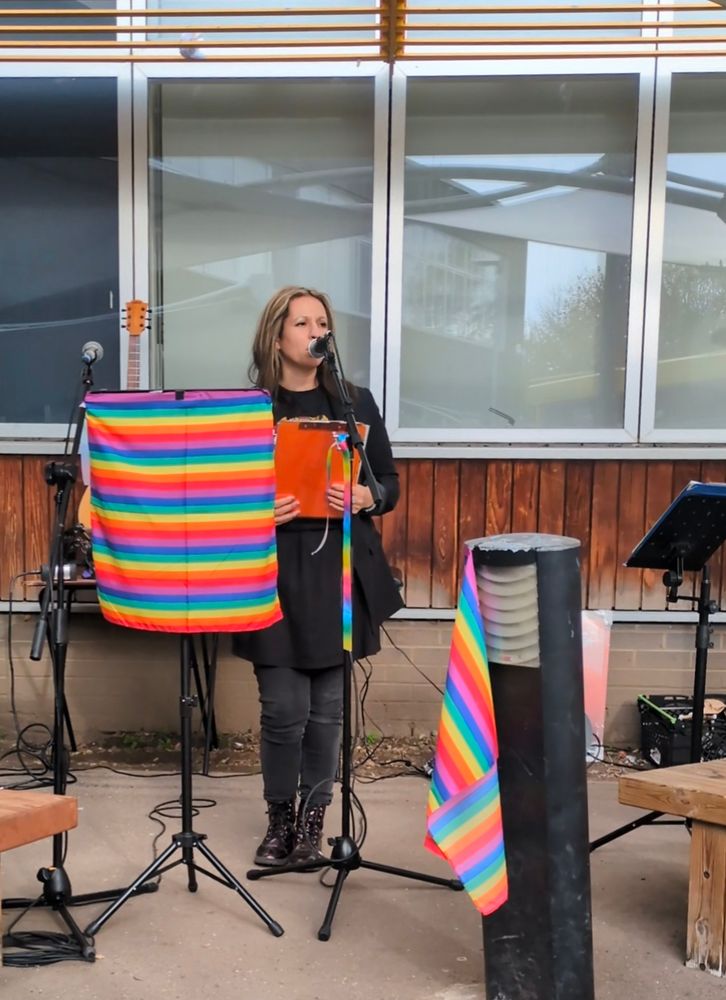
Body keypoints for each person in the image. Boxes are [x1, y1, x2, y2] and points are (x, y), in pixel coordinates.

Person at [233, 286, 403, 868]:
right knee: (283, 708)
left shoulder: (354, 401)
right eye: (301, 321)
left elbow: (388, 483)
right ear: (277, 334)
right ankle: (279, 820)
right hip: (272, 570)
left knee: (328, 711)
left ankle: (313, 824)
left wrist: (364, 496)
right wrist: (255, 508)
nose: (314, 331)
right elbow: (219, 490)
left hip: (338, 567)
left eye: (322, 322)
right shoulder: (250, 407)